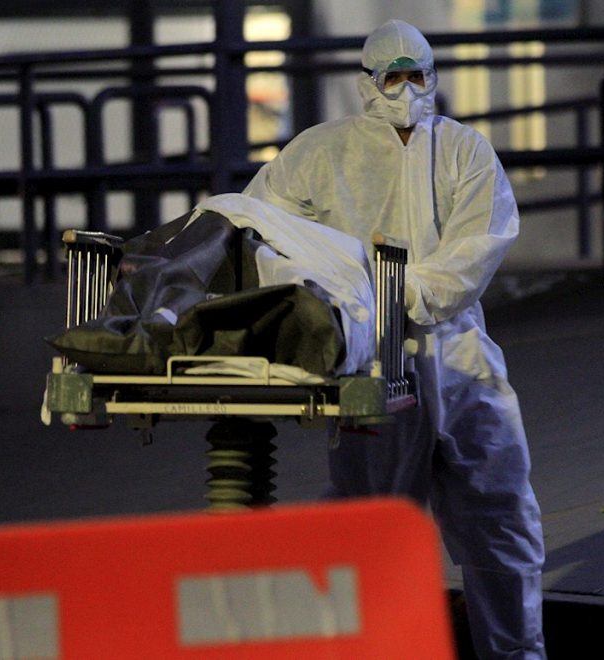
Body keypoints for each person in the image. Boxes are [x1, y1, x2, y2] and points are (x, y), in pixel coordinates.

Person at [243, 19, 546, 659]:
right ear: (367, 83)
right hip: (369, 357)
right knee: (371, 521)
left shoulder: (465, 152)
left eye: (417, 75)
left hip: (456, 352)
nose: (405, 89)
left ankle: (515, 653)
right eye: (392, 76)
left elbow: (478, 247)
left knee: (500, 514)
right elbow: (263, 227)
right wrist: (339, 299)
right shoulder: (320, 152)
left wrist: (389, 293)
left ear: (433, 78)